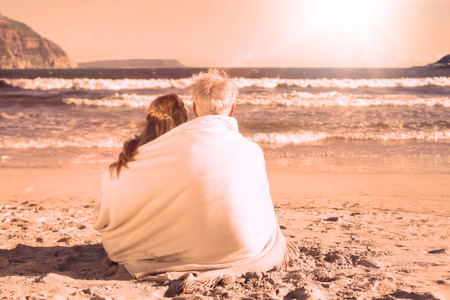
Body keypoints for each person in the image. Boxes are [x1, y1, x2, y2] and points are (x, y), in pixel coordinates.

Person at [94, 70, 296, 296]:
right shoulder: (253, 151)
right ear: (232, 108)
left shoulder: (170, 145)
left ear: (194, 108)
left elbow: (117, 185)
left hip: (180, 250)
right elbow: (260, 209)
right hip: (245, 248)